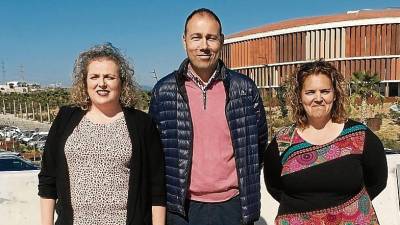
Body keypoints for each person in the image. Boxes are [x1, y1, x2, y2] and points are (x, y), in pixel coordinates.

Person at [149, 8, 267, 225]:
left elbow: (258, 147)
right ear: (184, 40)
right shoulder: (164, 91)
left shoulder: (244, 89)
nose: (204, 46)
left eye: (210, 38)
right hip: (181, 209)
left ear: (221, 41)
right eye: (196, 37)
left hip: (233, 206)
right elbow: (154, 151)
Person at [38, 43, 166, 225]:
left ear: (122, 82)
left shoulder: (142, 124)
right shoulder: (66, 118)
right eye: (94, 76)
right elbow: (48, 179)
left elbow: (157, 189)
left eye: (109, 77)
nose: (102, 83)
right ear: (85, 82)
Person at [264, 59, 388, 224]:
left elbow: (377, 181)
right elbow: (274, 187)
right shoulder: (282, 142)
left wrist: (346, 210)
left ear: (335, 94)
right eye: (310, 92)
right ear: (299, 96)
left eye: (325, 91)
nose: (318, 98)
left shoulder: (360, 136)